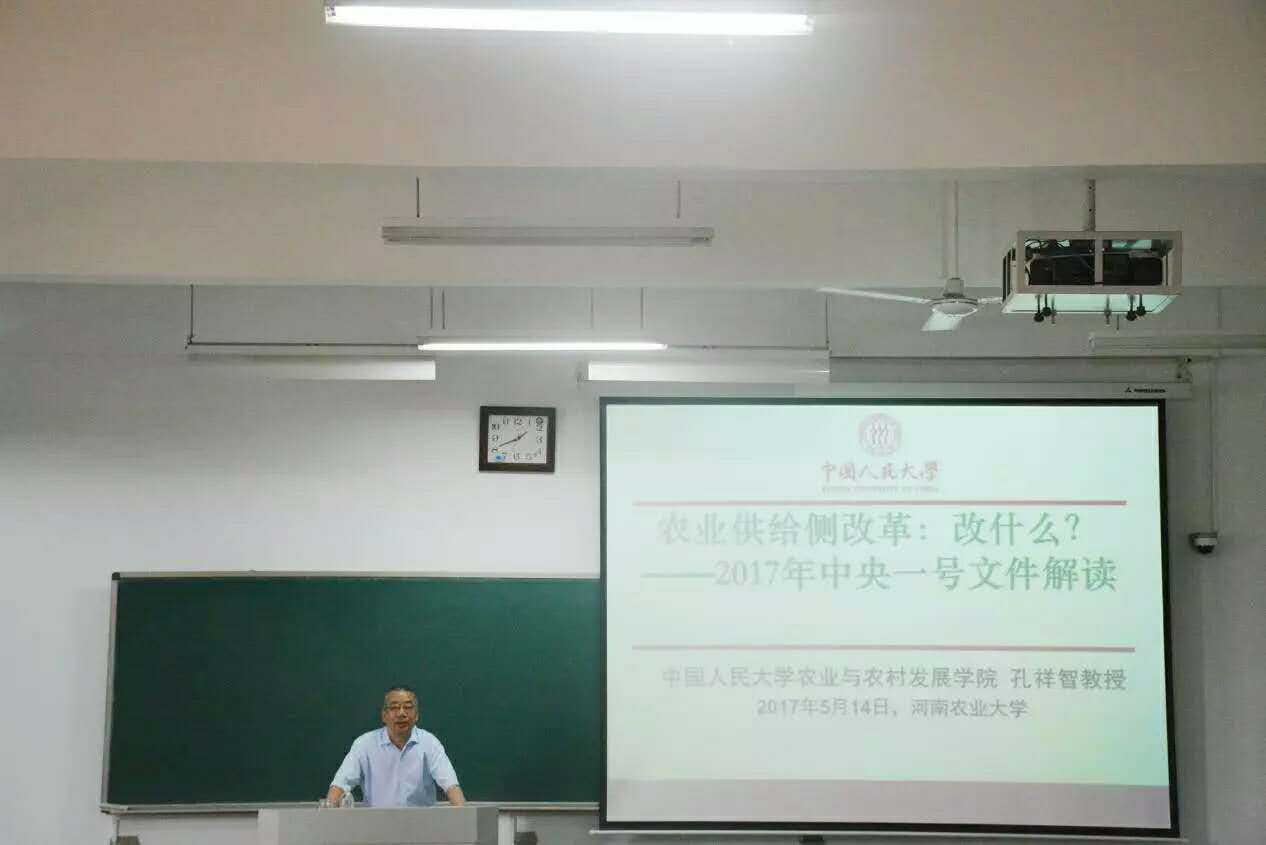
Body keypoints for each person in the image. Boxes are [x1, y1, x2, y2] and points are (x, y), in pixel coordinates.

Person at [326, 685, 467, 808]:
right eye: (394, 707)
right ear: (384, 716)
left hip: (422, 825)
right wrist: (328, 814)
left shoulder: (430, 743)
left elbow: (451, 785)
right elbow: (340, 785)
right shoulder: (364, 744)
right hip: (375, 825)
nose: (401, 713)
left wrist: (463, 817)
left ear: (417, 715)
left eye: (408, 707)